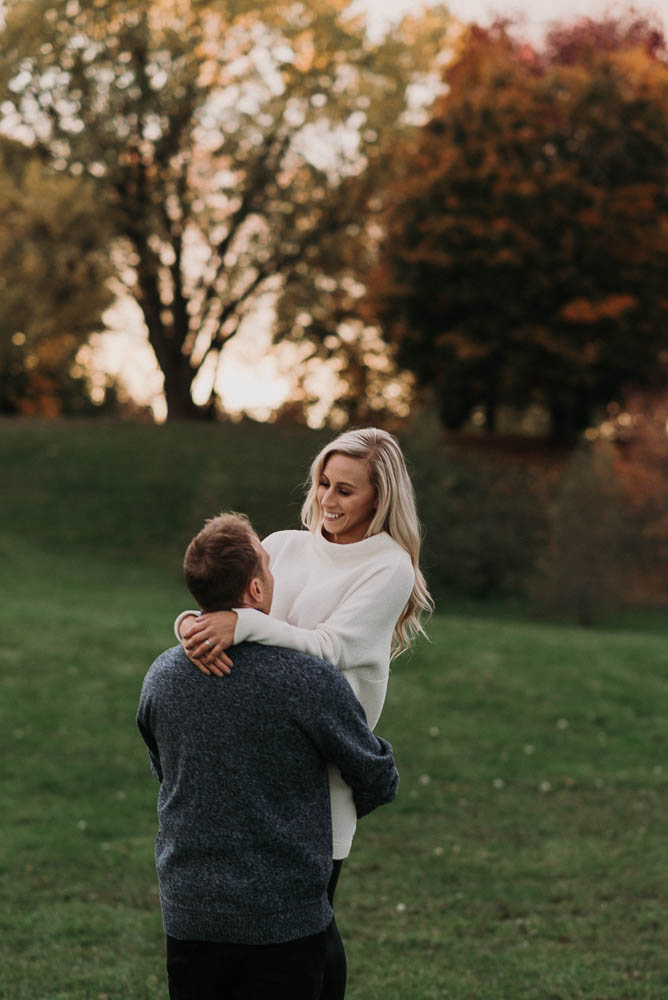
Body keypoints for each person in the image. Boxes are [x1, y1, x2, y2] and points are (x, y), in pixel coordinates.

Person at [174, 427, 433, 998]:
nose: (327, 500)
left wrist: (241, 626)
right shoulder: (285, 545)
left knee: (310, 930)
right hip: (258, 759)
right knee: (285, 940)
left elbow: (327, 649)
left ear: (379, 499)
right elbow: (234, 606)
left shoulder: (389, 568)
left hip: (323, 775)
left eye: (346, 490)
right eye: (322, 483)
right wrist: (193, 628)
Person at [138, 512, 399, 1000]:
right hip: (283, 919)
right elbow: (378, 777)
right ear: (256, 591)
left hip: (189, 910)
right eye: (270, 565)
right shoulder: (309, 680)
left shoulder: (161, 676)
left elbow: (163, 768)